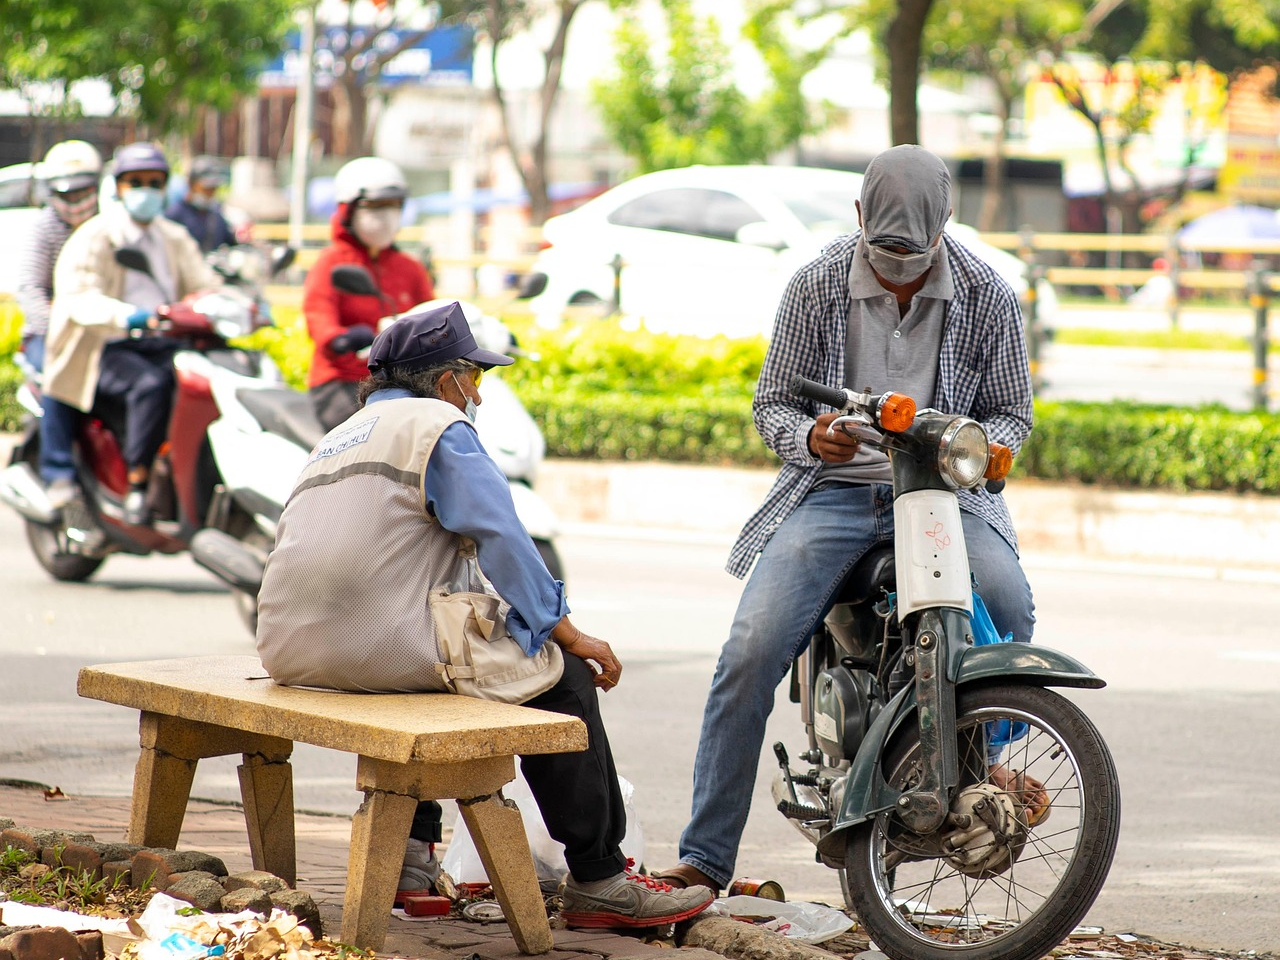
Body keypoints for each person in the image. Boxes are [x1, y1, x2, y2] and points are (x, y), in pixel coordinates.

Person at [255, 301, 715, 928]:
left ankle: (414, 857)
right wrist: (570, 635)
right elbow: (504, 540)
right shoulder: (440, 429)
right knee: (563, 678)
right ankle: (601, 876)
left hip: (293, 651)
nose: (477, 394)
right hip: (380, 649)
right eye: (475, 378)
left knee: (428, 669)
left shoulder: (338, 435)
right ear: (446, 380)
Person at [655, 144, 1037, 894]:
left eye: (914, 252)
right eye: (883, 247)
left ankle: (977, 763)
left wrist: (991, 450)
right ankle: (705, 859)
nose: (898, 264)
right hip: (833, 493)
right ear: (858, 216)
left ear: (946, 226)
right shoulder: (816, 284)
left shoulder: (989, 294)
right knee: (747, 655)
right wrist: (808, 438)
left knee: (1012, 603)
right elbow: (772, 403)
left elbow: (1012, 413)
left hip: (944, 498)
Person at [45, 141, 220, 525]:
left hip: (165, 341)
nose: (146, 190)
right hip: (104, 346)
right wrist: (129, 317)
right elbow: (79, 298)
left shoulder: (172, 236)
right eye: (135, 182)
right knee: (150, 386)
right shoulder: (95, 236)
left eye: (155, 182)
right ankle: (138, 483)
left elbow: (205, 283)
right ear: (119, 187)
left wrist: (232, 303)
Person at [304, 156, 434, 432]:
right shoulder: (331, 263)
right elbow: (319, 319)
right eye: (375, 206)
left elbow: (434, 316)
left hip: (402, 384)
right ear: (348, 210)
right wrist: (342, 338)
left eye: (394, 205)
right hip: (345, 382)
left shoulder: (410, 268)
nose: (386, 216)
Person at [16, 139, 103, 510]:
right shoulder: (45, 229)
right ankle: (58, 471)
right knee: (59, 374)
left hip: (100, 328)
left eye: (84, 190)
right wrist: (61, 326)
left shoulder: (107, 226)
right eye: (69, 192)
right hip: (51, 334)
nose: (77, 200)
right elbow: (30, 289)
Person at [165, 155, 236, 253]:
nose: (210, 193)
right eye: (206, 188)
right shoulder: (175, 214)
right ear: (191, 184)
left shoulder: (215, 215)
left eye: (213, 188)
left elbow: (230, 242)